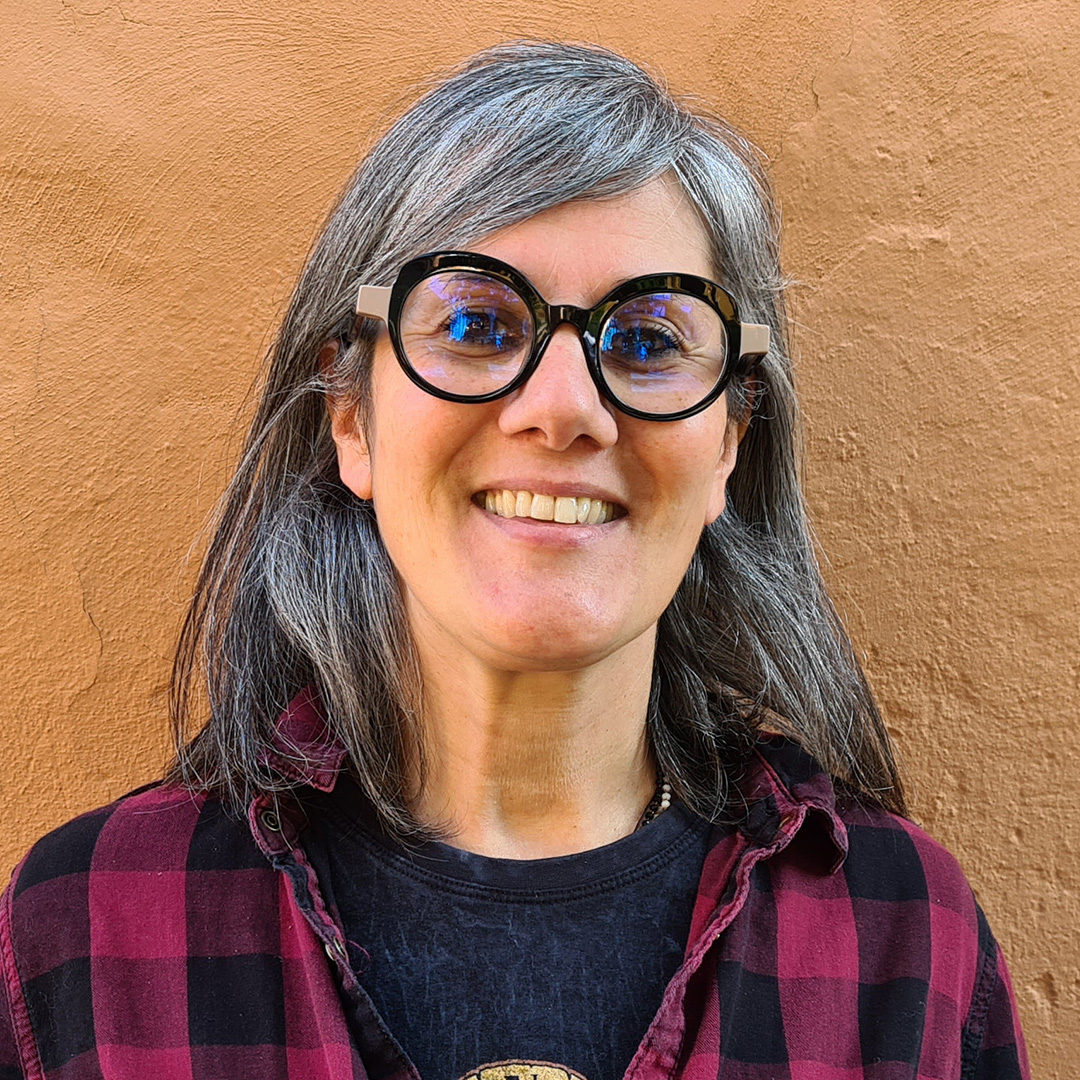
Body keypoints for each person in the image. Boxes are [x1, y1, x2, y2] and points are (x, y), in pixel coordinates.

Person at [0, 40, 1029, 1080]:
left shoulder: (902, 938)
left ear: (728, 442)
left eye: (648, 341)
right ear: (351, 417)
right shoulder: (87, 931)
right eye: (475, 323)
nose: (563, 408)